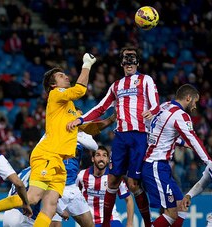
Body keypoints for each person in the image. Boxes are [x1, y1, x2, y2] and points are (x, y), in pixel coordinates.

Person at [0, 53, 96, 227]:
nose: (66, 76)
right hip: (47, 154)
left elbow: (90, 128)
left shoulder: (70, 110)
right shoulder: (56, 94)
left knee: (50, 207)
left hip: (60, 162)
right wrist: (87, 64)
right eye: (61, 76)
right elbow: (80, 90)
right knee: (32, 197)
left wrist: (110, 119)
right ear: (53, 85)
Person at [67, 46, 159, 227]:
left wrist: (152, 111)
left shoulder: (146, 80)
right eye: (126, 59)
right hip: (121, 137)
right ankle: (107, 224)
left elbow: (156, 104)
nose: (129, 63)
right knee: (113, 180)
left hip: (139, 136)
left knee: (133, 184)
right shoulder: (116, 86)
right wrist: (81, 119)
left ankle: (148, 223)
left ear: (138, 62)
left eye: (133, 59)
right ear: (122, 63)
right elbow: (101, 108)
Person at [142, 84, 212, 226]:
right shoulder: (180, 115)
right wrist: (209, 162)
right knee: (171, 214)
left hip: (160, 165)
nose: (195, 106)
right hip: (155, 165)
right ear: (188, 98)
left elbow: (157, 131)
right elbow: (193, 139)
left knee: (182, 206)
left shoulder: (164, 106)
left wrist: (179, 142)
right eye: (195, 102)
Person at [51, 109, 117, 227]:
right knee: (55, 225)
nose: (81, 118)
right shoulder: (55, 130)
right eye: (79, 115)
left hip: (71, 187)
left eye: (82, 116)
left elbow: (94, 146)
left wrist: (74, 133)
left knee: (89, 225)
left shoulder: (82, 134)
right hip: (56, 187)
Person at [77, 146, 134, 227]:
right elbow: (73, 193)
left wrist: (130, 223)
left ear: (107, 160)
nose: (101, 158)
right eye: (98, 155)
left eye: (104, 155)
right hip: (90, 222)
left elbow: (129, 200)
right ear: (92, 159)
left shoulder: (114, 177)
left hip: (112, 220)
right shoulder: (82, 175)